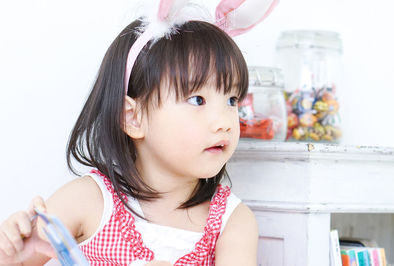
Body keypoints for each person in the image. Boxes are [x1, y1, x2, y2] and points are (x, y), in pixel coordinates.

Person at [0, 0, 278, 264]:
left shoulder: (233, 222)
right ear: (133, 117)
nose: (225, 122)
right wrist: (11, 254)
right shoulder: (89, 200)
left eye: (232, 100)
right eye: (198, 100)